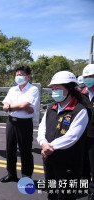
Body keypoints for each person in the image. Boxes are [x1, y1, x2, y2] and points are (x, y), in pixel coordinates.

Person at [37, 71, 89, 200]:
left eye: (58, 88)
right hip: (49, 159)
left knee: (65, 196)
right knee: (52, 193)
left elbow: (72, 137)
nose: (54, 91)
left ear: (70, 88)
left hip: (68, 162)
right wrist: (43, 143)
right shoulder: (51, 108)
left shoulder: (80, 110)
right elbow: (41, 129)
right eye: (53, 88)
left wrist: (49, 147)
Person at [0, 65, 39, 182]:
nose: (18, 77)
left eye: (21, 75)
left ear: (28, 76)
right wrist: (21, 107)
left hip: (24, 123)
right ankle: (11, 174)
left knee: (25, 150)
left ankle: (27, 176)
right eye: (17, 75)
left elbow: (24, 106)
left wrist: (12, 107)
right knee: (10, 149)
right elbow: (4, 106)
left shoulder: (33, 89)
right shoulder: (13, 89)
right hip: (11, 122)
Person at [81, 64, 94, 199]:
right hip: (82, 135)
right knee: (83, 162)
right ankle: (83, 186)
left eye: (91, 77)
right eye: (86, 77)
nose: (88, 79)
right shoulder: (81, 94)